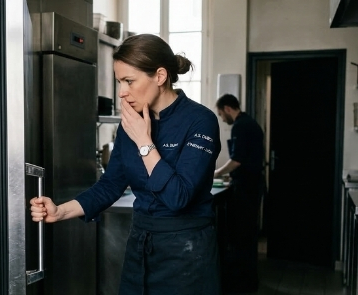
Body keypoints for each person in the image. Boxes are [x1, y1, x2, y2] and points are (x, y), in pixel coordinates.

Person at [29, 34, 222, 295]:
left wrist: (144, 141)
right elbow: (110, 185)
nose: (122, 92)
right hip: (140, 247)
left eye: (129, 81)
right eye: (120, 81)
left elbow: (180, 197)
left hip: (186, 253)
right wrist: (60, 211)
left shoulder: (200, 121)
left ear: (160, 76)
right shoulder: (130, 122)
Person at [213, 93, 265, 293]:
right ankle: (249, 281)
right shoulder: (251, 123)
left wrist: (216, 173)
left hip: (247, 188)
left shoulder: (241, 126)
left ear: (227, 108)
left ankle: (243, 284)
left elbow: (237, 160)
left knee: (242, 235)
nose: (222, 119)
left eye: (220, 114)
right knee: (248, 234)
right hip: (252, 184)